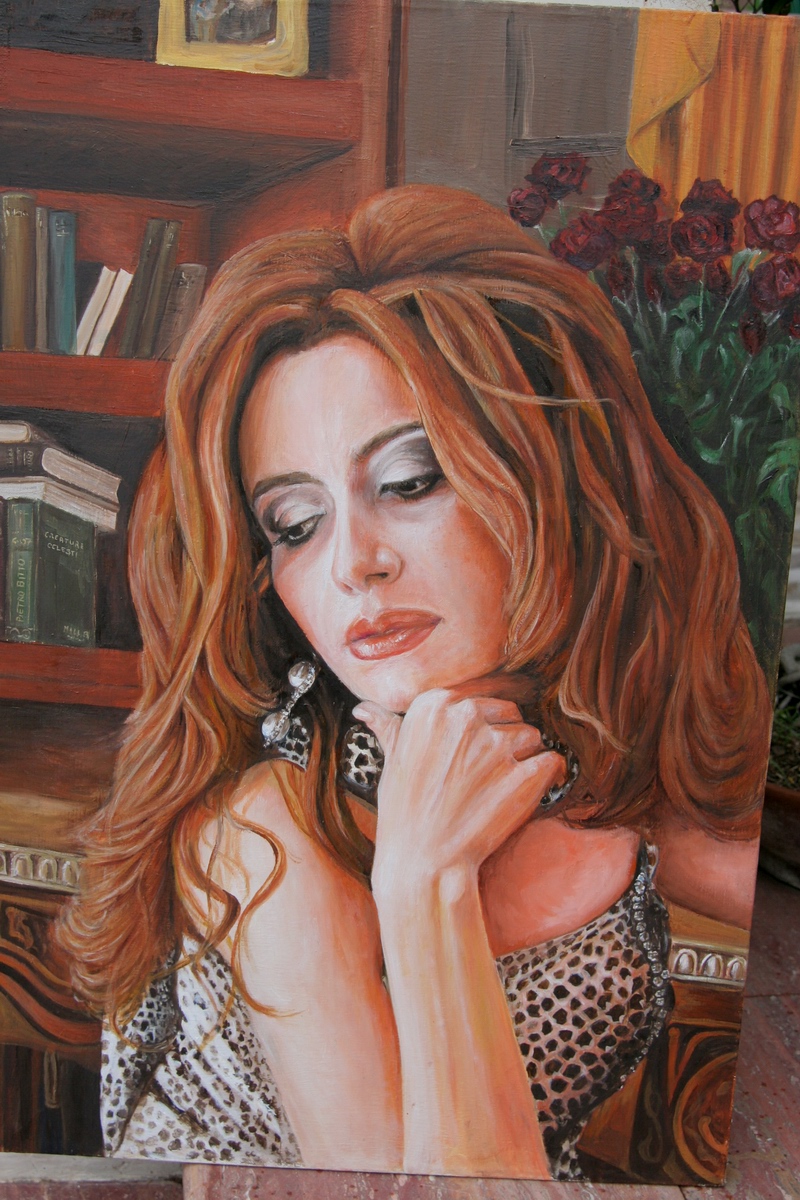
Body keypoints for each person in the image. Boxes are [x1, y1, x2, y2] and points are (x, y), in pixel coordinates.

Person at [59, 185, 770, 1181]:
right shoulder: (271, 837)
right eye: (294, 526)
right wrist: (424, 882)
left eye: (408, 483)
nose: (355, 565)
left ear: (554, 477)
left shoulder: (583, 774)